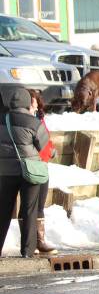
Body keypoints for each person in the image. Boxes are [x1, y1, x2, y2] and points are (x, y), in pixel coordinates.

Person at [0, 87, 48, 257]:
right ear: (27, 103)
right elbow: (44, 145)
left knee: (3, 211)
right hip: (29, 171)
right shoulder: (33, 122)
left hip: (6, 172)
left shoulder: (2, 119)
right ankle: (27, 250)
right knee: (29, 210)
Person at [26, 90, 56, 255]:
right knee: (30, 205)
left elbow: (46, 139)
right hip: (31, 165)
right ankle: (30, 241)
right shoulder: (25, 120)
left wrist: (51, 149)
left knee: (40, 205)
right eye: (32, 101)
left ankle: (40, 240)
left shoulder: (40, 118)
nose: (35, 104)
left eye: (35, 101)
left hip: (42, 166)